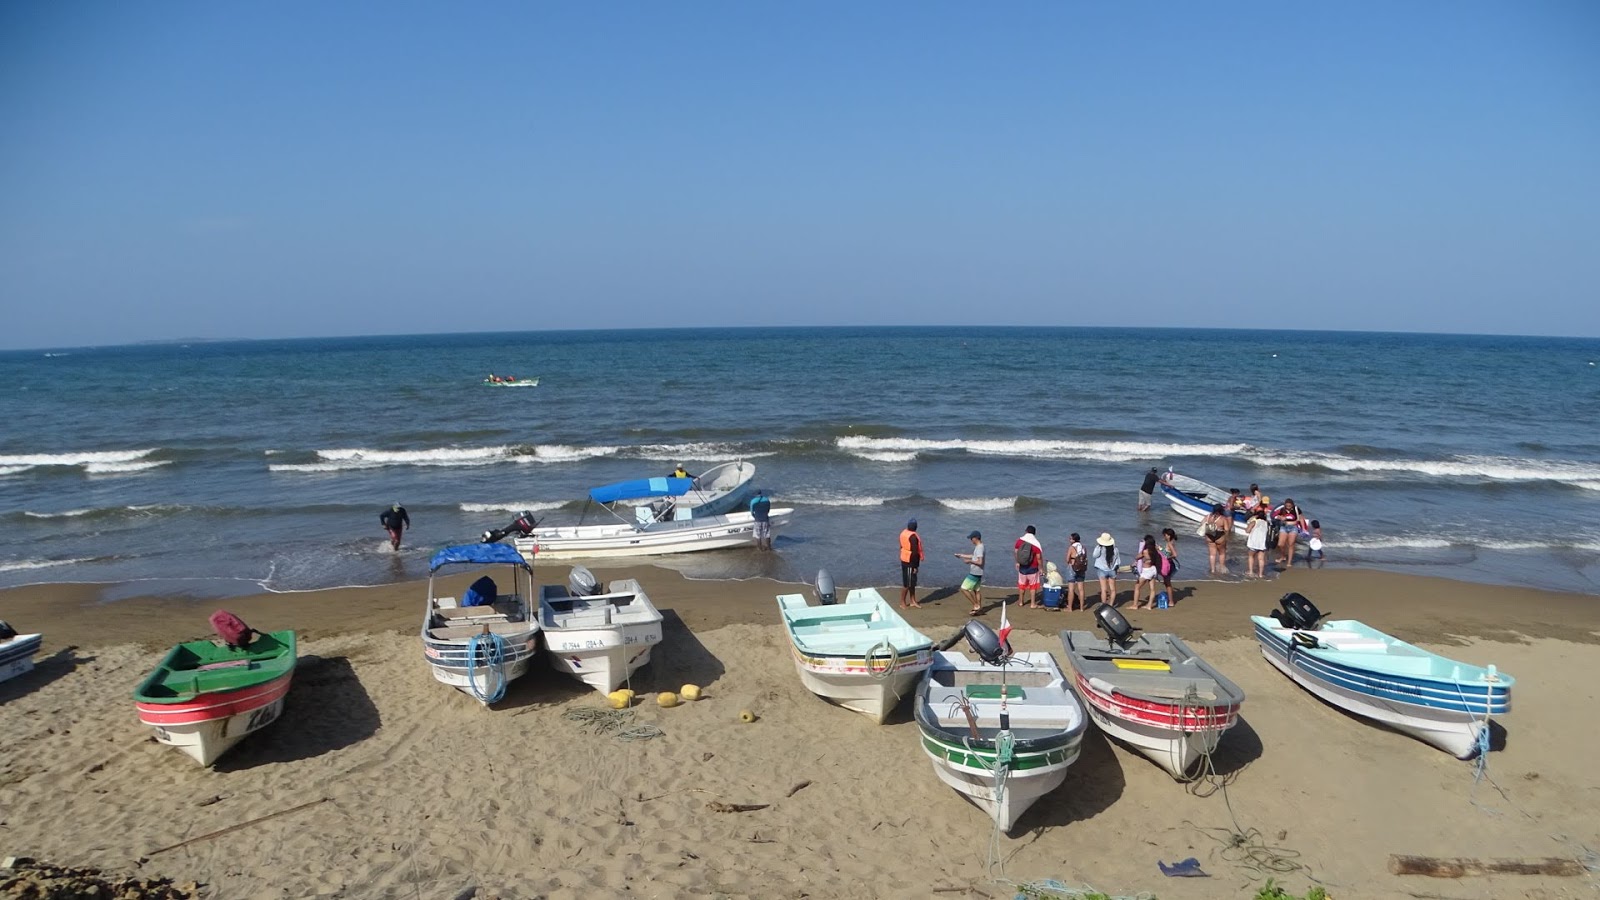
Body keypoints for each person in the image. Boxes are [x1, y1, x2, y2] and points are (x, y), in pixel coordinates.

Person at [954, 531, 985, 615]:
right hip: (978, 572)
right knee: (976, 590)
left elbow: (980, 562)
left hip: (975, 572)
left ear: (975, 538)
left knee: (963, 588)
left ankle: (976, 605)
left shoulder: (979, 547)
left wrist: (969, 561)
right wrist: (961, 555)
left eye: (971, 538)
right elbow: (974, 556)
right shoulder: (980, 546)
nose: (971, 540)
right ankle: (979, 608)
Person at [1014, 526, 1043, 609]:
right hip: (1033, 568)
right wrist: (1040, 568)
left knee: (1022, 585)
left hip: (1022, 567)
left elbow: (1016, 552)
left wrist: (1017, 562)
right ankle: (1033, 604)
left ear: (1026, 531)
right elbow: (1038, 557)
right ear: (1034, 533)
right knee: (1033, 586)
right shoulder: (1036, 543)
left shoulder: (1019, 541)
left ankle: (1020, 602)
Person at [898, 519, 924, 609]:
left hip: (904, 558)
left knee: (912, 582)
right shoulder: (913, 537)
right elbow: (915, 553)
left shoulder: (903, 533)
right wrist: (915, 566)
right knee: (907, 583)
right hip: (910, 562)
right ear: (916, 527)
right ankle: (902, 602)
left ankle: (913, 601)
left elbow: (901, 545)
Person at [1134, 533, 1162, 609]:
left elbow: (1137, 557)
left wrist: (1141, 546)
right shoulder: (1155, 550)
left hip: (1146, 571)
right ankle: (1149, 605)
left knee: (1137, 587)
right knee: (1152, 588)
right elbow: (1161, 549)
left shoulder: (1145, 551)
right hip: (1153, 569)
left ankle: (1135, 605)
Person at [1273, 499, 1305, 567]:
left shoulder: (1296, 509)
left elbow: (1301, 518)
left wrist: (1303, 529)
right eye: (1287, 506)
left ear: (1292, 505)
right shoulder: (1282, 509)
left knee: (1291, 544)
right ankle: (1282, 556)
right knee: (1280, 544)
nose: (1288, 507)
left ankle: (1289, 562)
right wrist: (1281, 517)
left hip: (1293, 527)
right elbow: (1276, 516)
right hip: (1284, 527)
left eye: (1289, 506)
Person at [1092, 532, 1120, 607]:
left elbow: (1094, 555)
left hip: (1102, 570)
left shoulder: (1100, 548)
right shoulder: (1115, 549)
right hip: (1112, 570)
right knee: (1113, 589)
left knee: (1103, 589)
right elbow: (1118, 561)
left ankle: (1104, 605)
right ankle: (1111, 604)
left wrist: (1098, 546)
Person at [1202, 504, 1230, 575]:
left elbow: (1202, 523)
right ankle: (1221, 569)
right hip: (1219, 537)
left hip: (1209, 536)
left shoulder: (1208, 516)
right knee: (1222, 553)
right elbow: (1227, 529)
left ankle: (1213, 570)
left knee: (1212, 555)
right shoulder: (1223, 518)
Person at [1065, 532, 1089, 611]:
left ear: (1074, 540)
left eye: (1070, 538)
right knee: (1081, 589)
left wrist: (1069, 562)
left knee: (1071, 589)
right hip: (1081, 568)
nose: (1069, 540)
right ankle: (1082, 608)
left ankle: (1070, 608)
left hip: (1072, 567)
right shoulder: (1083, 547)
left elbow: (1067, 559)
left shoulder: (1072, 547)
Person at [1244, 509, 1270, 578]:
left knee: (1251, 556)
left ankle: (1251, 572)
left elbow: (1247, 531)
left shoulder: (1254, 522)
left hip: (1253, 543)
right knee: (1261, 559)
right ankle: (1261, 574)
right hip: (1262, 543)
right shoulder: (1266, 523)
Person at [1159, 527, 1179, 600]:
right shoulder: (1172, 542)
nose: (1164, 537)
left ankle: (1171, 601)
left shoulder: (1169, 543)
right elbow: (1167, 552)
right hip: (1170, 564)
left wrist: (1167, 557)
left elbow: (1175, 554)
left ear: (1168, 536)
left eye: (1164, 535)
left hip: (1169, 565)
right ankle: (1170, 599)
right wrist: (1161, 549)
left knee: (1167, 583)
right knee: (1167, 582)